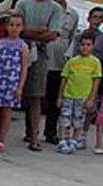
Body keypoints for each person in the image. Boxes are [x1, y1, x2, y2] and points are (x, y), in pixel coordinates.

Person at [16, 0, 62, 152]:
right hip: (17, 50)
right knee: (11, 91)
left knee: (36, 95)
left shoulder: (55, 8)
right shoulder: (23, 3)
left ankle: (34, 136)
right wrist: (38, 31)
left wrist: (29, 31)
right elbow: (15, 28)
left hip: (40, 54)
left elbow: (52, 35)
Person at [0, 12, 28, 154]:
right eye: (11, 25)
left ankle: (1, 140)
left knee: (7, 111)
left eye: (18, 25)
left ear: (22, 27)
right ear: (6, 26)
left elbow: (23, 68)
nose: (14, 28)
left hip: (12, 84)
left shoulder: (22, 46)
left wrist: (20, 87)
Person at [55, 30, 100, 154]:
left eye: (88, 45)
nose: (85, 47)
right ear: (78, 45)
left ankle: (74, 140)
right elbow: (64, 79)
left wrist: (91, 98)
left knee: (78, 119)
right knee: (65, 118)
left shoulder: (95, 62)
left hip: (83, 97)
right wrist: (60, 97)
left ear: (92, 46)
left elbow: (96, 81)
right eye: (83, 44)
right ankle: (63, 140)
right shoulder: (72, 61)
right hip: (69, 95)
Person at [42, 0, 77, 146]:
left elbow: (73, 38)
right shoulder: (46, 7)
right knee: (36, 96)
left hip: (60, 61)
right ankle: (30, 131)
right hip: (43, 54)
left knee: (54, 98)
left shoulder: (73, 14)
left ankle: (50, 132)